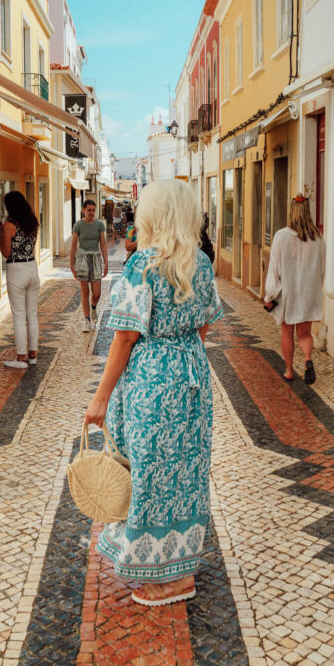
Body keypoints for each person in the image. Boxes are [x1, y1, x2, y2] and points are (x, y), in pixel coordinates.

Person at [84, 179, 224, 607]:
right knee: (186, 473)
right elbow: (205, 322)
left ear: (153, 215)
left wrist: (100, 398)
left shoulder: (142, 265)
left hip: (152, 384)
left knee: (148, 473)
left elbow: (124, 338)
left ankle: (164, 579)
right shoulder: (200, 262)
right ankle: (181, 569)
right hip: (193, 380)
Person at [264, 194, 326, 384]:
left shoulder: (282, 236)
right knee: (305, 334)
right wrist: (316, 288)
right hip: (308, 292)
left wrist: (270, 293)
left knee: (287, 332)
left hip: (287, 294)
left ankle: (289, 370)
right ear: (308, 213)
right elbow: (321, 269)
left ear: (291, 213)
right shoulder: (317, 238)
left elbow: (274, 268)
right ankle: (308, 359)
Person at [0, 190, 40, 369]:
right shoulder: (33, 221)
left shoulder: (9, 225)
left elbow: (6, 252)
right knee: (32, 314)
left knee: (18, 315)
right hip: (32, 267)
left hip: (16, 268)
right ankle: (33, 354)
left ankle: (21, 357)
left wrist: (1, 234)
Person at [71, 199, 108, 332]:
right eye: (89, 210)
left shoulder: (99, 224)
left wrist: (106, 263)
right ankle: (86, 320)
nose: (92, 213)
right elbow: (74, 246)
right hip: (82, 260)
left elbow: (103, 244)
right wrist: (72, 264)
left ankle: (93, 307)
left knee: (97, 293)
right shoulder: (78, 225)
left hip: (96, 259)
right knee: (84, 291)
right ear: (83, 210)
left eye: (93, 210)